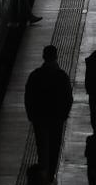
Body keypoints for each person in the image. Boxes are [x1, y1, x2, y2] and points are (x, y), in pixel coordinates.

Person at [25, 45, 73, 175]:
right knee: (54, 147)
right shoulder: (62, 76)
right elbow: (68, 98)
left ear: (43, 57)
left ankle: (42, 172)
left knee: (41, 147)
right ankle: (50, 175)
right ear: (56, 57)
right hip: (56, 119)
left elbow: (28, 97)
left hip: (39, 118)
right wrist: (63, 116)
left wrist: (31, 115)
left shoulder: (35, 75)